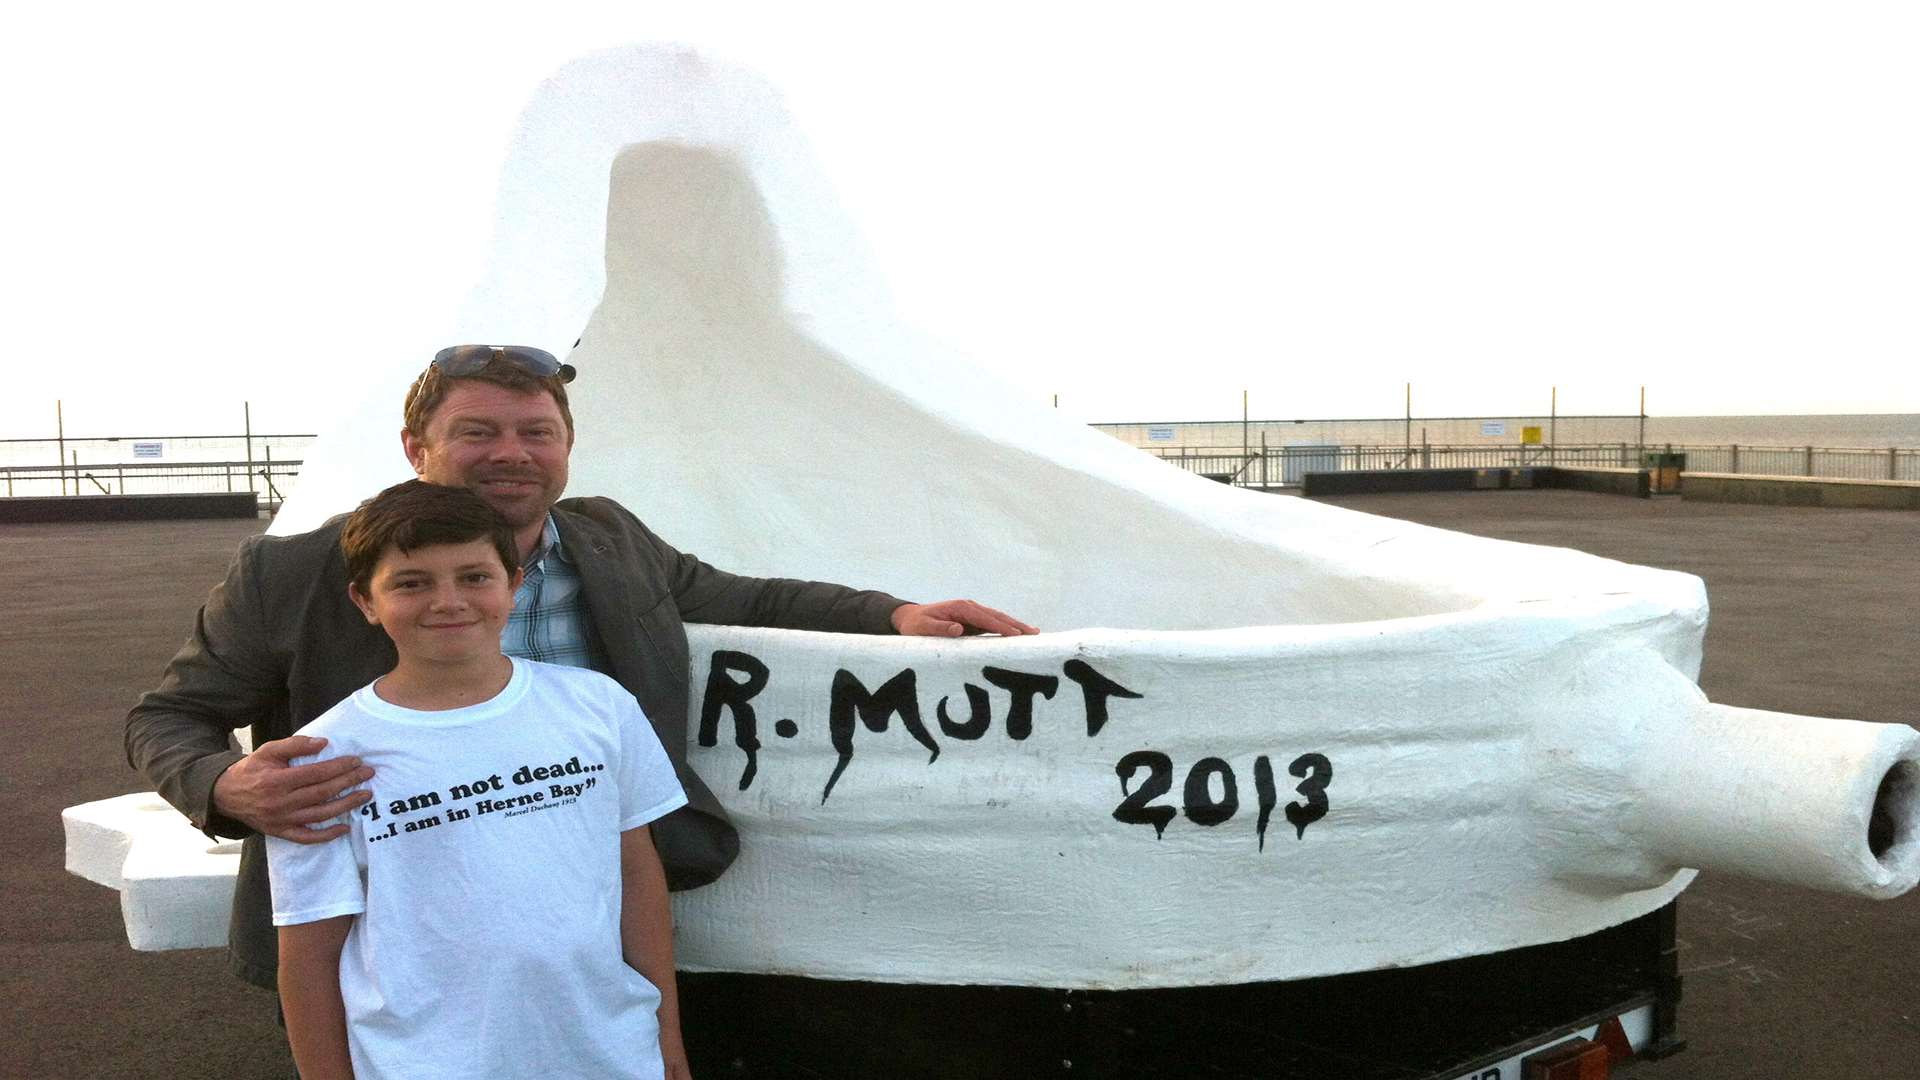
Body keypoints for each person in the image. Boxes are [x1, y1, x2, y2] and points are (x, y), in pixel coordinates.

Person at [125, 343, 1035, 998]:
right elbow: (168, 719)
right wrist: (225, 786)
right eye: (476, 431)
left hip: (590, 903)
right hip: (393, 927)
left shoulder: (609, 538)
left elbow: (740, 595)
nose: (510, 452)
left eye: (536, 430)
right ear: (417, 451)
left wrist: (894, 614)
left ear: (564, 446)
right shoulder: (296, 572)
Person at [271, 479, 690, 1079]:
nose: (448, 601)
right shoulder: (321, 759)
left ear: (513, 584)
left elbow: (636, 875)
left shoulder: (599, 706)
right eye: (412, 583)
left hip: (609, 1053)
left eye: (474, 577)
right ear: (365, 600)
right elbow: (308, 955)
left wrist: (666, 1041)